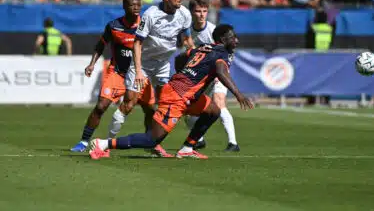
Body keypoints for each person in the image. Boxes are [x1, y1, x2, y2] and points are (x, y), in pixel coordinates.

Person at [89, 24, 253, 160]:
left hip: (185, 93)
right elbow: (221, 71)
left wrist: (185, 74)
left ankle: (187, 148)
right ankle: (103, 144)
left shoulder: (204, 47)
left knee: (213, 111)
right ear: (223, 40)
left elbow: (180, 58)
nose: (236, 41)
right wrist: (238, 95)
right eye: (233, 37)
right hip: (177, 96)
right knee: (151, 140)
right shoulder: (222, 52)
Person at [106, 0, 195, 157]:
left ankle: (155, 144)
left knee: (165, 105)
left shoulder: (184, 14)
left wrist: (191, 54)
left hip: (163, 64)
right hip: (143, 64)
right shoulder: (150, 15)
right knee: (129, 103)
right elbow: (137, 43)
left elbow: (187, 39)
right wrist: (138, 71)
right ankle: (106, 144)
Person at [70, 0, 155, 153]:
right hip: (118, 73)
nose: (136, 8)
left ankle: (150, 143)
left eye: (139, 5)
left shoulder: (146, 25)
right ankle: (83, 141)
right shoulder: (114, 26)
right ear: (124, 7)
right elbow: (101, 45)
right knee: (101, 106)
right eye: (132, 5)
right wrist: (92, 64)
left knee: (150, 109)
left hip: (139, 74)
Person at [184, 0, 240, 151]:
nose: (201, 15)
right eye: (198, 11)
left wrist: (222, 70)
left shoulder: (213, 31)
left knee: (219, 102)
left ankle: (233, 143)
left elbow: (229, 51)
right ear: (191, 12)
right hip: (200, 76)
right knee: (187, 110)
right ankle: (199, 139)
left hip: (217, 73)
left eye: (204, 11)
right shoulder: (187, 31)